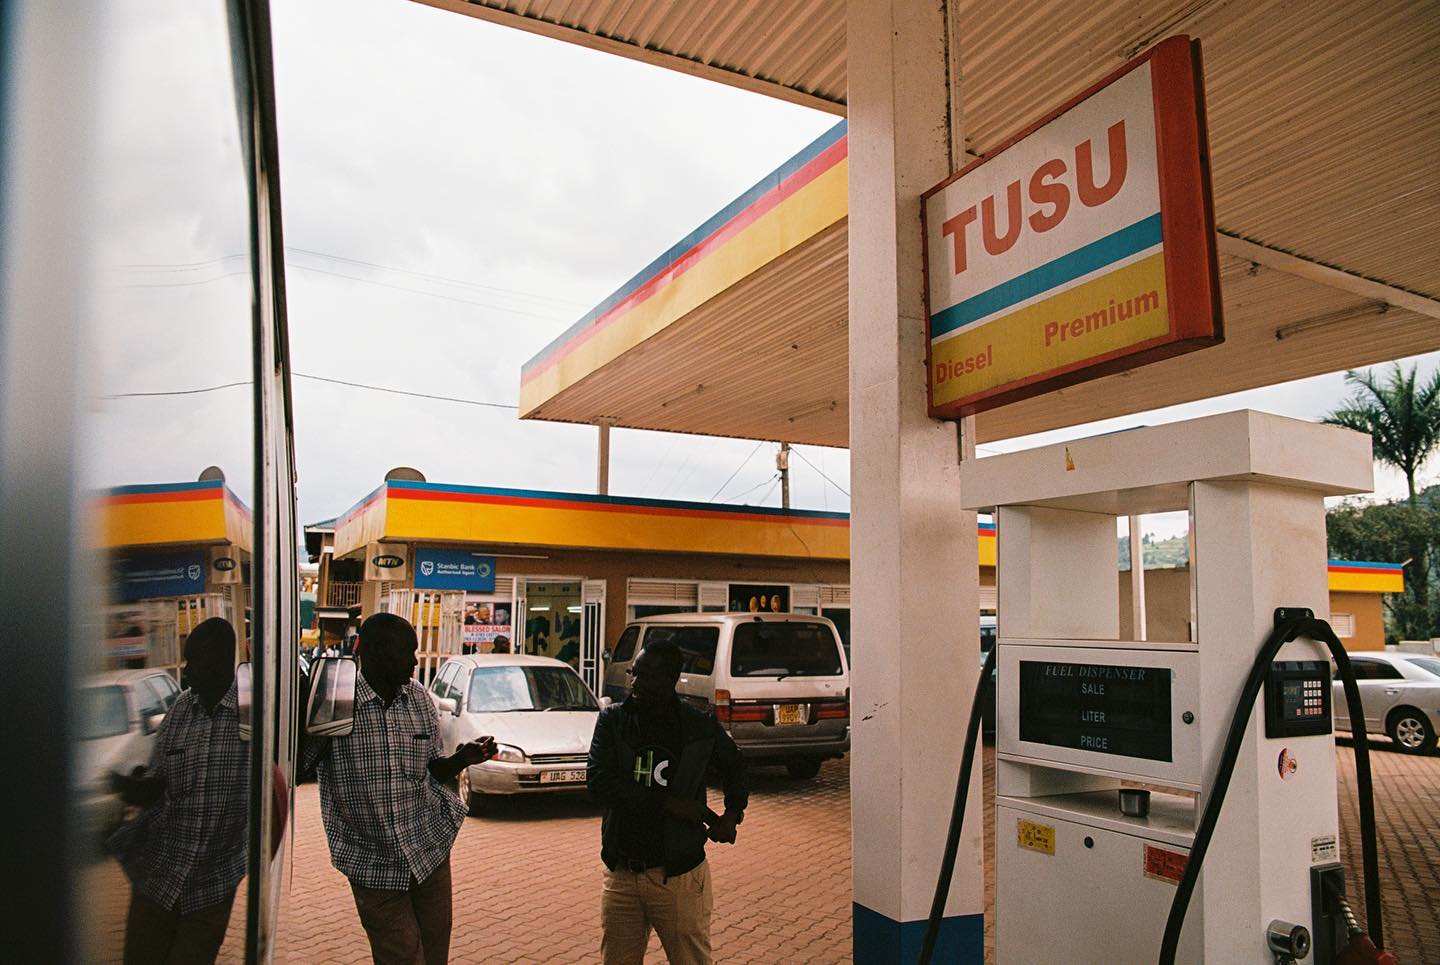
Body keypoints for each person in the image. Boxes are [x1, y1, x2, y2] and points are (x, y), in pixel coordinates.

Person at [304, 612, 497, 965]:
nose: (414, 661)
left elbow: (433, 770)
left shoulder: (419, 699)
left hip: (428, 851)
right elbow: (300, 766)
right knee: (403, 956)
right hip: (371, 860)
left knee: (435, 954)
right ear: (375, 654)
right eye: (407, 652)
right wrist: (307, 713)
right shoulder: (335, 702)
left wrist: (463, 759)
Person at [587, 639, 748, 965]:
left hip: (680, 878)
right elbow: (600, 784)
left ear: (671, 679)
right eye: (634, 673)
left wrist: (732, 813)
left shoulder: (697, 726)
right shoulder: (613, 721)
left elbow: (736, 766)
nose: (634, 684)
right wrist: (668, 804)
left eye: (646, 676)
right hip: (621, 875)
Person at [109, 617, 249, 965]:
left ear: (219, 661)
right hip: (159, 873)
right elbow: (158, 784)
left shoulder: (254, 716)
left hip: (213, 882)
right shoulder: (181, 711)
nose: (186, 670)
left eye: (194, 660)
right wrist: (133, 787)